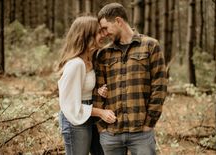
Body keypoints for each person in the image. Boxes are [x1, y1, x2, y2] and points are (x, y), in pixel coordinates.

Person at [92, 3, 167, 155]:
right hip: (111, 133)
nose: (104, 34)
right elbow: (97, 91)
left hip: (141, 133)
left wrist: (149, 123)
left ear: (118, 21)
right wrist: (102, 128)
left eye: (105, 28)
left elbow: (159, 87)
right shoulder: (104, 54)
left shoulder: (150, 46)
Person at [57, 16, 116, 155]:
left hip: (90, 116)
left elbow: (85, 88)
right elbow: (70, 104)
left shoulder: (90, 59)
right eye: (99, 32)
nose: (103, 35)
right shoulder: (76, 64)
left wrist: (99, 91)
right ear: (87, 35)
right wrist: (101, 112)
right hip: (75, 120)